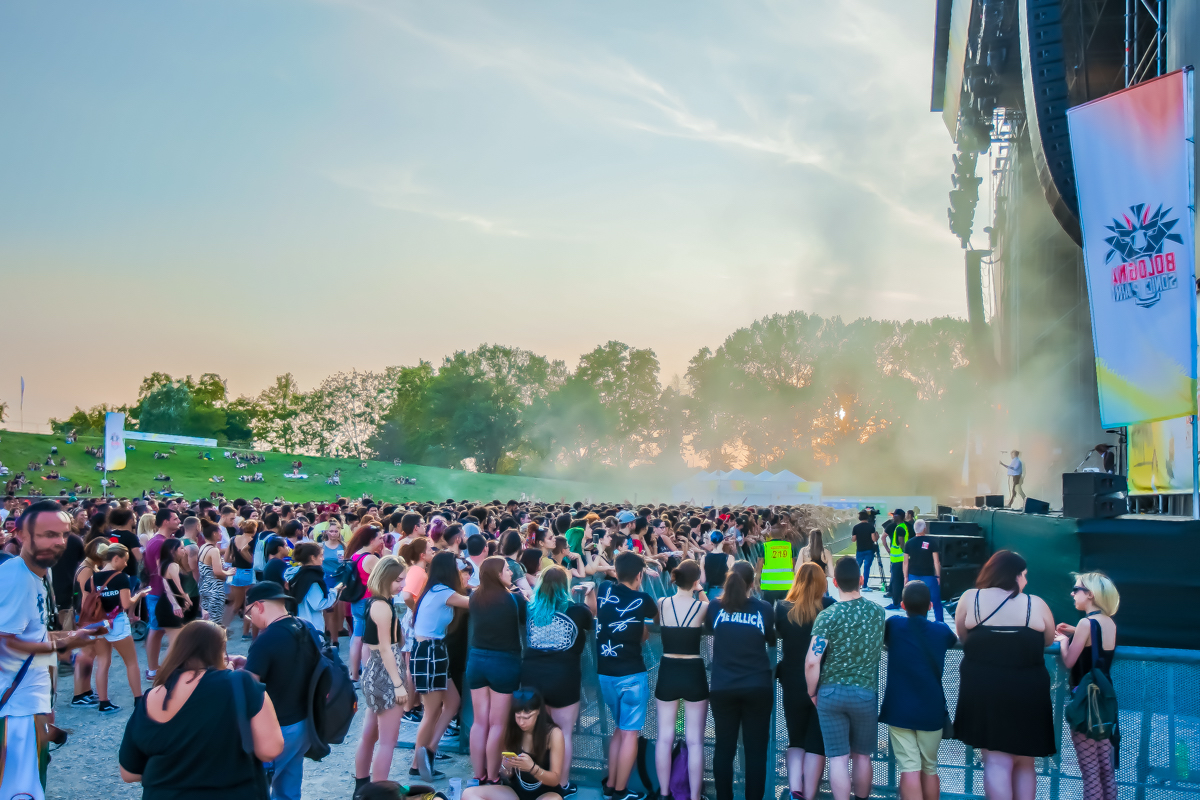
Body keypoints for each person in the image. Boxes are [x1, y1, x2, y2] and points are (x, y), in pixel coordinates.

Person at [0, 501, 101, 800]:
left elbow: (34, 634)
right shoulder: (16, 578)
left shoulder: (41, 573)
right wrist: (67, 643)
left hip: (30, 704)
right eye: (47, 534)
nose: (58, 542)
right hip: (15, 710)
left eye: (64, 534)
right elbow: (6, 642)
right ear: (20, 535)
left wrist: (74, 634)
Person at [119, 620, 285, 800]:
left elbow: (128, 774)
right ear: (220, 651)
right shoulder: (242, 684)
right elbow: (270, 749)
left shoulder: (149, 698)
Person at [954, 550, 1056, 800]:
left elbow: (963, 636)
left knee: (996, 761)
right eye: (1024, 575)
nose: (1026, 581)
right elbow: (1048, 640)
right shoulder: (1035, 604)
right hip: (1028, 689)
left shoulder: (971, 598)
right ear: (1014, 575)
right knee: (1025, 761)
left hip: (983, 687)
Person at [805, 557, 886, 800]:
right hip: (864, 693)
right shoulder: (878, 613)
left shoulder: (828, 616)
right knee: (862, 756)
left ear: (835, 582)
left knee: (838, 758)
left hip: (831, 694)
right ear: (861, 580)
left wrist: (812, 692)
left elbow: (812, 661)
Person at [520, 565, 595, 798]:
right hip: (564, 677)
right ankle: (561, 784)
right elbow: (593, 617)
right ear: (566, 586)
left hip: (531, 676)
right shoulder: (577, 610)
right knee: (563, 734)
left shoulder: (530, 609)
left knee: (534, 731)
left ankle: (534, 780)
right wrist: (591, 592)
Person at [244, 580, 322, 800]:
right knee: (288, 790)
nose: (250, 619)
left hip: (276, 728)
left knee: (256, 788)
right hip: (305, 722)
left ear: (259, 606)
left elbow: (248, 688)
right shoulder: (306, 627)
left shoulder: (265, 639)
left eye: (249, 614)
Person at [879, 581, 957, 800]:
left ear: (903, 605)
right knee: (929, 767)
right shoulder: (941, 630)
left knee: (909, 767)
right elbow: (952, 640)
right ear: (930, 605)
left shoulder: (894, 625)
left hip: (899, 708)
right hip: (931, 710)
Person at [704, 560, 775, 800]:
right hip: (757, 686)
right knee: (756, 752)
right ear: (752, 583)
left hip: (723, 686)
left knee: (724, 748)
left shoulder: (715, 607)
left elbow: (711, 629)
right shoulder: (763, 608)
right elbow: (771, 638)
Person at [596, 551, 658, 800]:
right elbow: (657, 621)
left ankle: (610, 785)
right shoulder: (643, 599)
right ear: (640, 575)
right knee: (630, 732)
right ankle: (620, 792)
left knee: (619, 730)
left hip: (605, 673)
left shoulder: (603, 590)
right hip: (632, 674)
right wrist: (641, 629)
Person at [1055, 572, 1119, 800]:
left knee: (1090, 774)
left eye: (1076, 589)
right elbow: (1098, 644)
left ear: (1090, 594)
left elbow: (1069, 661)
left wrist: (1064, 641)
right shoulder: (1108, 622)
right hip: (1104, 701)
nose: (1072, 594)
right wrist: (1076, 631)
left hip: (1085, 702)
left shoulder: (1086, 623)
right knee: (1106, 771)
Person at [776, 562, 835, 800]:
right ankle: (809, 795)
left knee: (796, 740)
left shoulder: (782, 608)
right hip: (821, 683)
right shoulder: (829, 607)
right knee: (816, 743)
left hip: (791, 680)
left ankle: (795, 791)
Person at [410, 550, 471, 781]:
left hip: (434, 651)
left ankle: (430, 751)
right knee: (432, 711)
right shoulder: (442, 592)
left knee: (452, 702)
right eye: (458, 568)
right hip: (429, 652)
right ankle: (417, 764)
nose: (460, 571)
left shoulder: (435, 590)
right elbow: (473, 603)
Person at [467, 556, 529, 783]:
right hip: (504, 662)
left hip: (476, 660)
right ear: (497, 574)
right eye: (507, 569)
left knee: (479, 722)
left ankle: (478, 774)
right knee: (498, 724)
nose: (511, 572)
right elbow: (526, 620)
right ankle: (493, 776)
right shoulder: (513, 599)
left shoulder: (474, 597)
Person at [354, 556, 412, 792]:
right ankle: (378, 793)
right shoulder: (382, 606)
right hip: (386, 674)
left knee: (370, 735)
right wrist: (398, 684)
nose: (402, 584)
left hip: (376, 671)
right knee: (387, 741)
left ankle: (362, 789)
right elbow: (387, 648)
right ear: (386, 578)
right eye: (398, 580)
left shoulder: (376, 602)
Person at [654, 560, 708, 800]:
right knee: (695, 741)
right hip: (693, 670)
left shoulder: (662, 602)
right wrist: (699, 590)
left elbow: (658, 623)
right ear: (695, 581)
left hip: (668, 669)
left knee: (665, 737)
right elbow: (711, 608)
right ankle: (694, 796)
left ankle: (665, 793)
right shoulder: (702, 607)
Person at [461, 687, 566, 800]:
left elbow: (555, 780)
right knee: (468, 794)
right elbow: (507, 775)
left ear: (539, 711)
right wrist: (506, 767)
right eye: (518, 717)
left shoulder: (553, 734)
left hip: (545, 793)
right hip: (515, 792)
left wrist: (532, 768)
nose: (521, 722)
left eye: (527, 717)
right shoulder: (512, 730)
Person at [91, 543, 153, 714]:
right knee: (131, 662)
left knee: (103, 662)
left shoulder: (93, 578)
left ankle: (103, 702)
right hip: (116, 621)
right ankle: (138, 699)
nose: (126, 564)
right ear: (116, 558)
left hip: (98, 623)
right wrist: (139, 595)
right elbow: (126, 604)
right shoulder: (121, 578)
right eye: (125, 560)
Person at [144, 508, 181, 680]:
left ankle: (154, 669)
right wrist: (174, 598)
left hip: (158, 591)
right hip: (160, 593)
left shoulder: (161, 540)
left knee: (157, 630)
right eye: (175, 518)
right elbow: (163, 572)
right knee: (163, 631)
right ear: (166, 521)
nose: (178, 521)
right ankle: (156, 670)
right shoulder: (160, 543)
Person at [346, 524, 386, 682]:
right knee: (367, 641)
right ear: (371, 539)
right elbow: (384, 579)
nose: (382, 541)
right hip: (369, 602)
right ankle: (368, 676)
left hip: (357, 601)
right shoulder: (371, 558)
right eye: (379, 538)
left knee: (357, 638)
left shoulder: (356, 555)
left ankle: (354, 675)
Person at [287, 542, 344, 635]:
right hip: (311, 627)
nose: (323, 558)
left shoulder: (299, 573)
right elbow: (318, 604)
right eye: (321, 555)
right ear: (312, 557)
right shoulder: (312, 579)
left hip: (299, 623)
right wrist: (335, 591)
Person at [902, 520, 943, 622]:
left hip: (913, 576)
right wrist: (938, 576)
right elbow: (936, 562)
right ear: (924, 528)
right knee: (936, 602)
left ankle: (917, 622)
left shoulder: (909, 543)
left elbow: (905, 562)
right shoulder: (931, 542)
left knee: (915, 601)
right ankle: (940, 623)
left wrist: (906, 577)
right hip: (929, 577)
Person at [225, 519, 258, 640]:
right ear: (254, 529)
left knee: (235, 604)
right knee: (248, 604)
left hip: (235, 572)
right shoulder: (253, 541)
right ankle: (245, 633)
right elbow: (252, 561)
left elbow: (227, 558)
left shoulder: (233, 539)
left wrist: (236, 558)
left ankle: (222, 628)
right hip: (248, 573)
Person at [154, 538, 194, 631]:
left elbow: (168, 587)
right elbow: (178, 587)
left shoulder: (164, 564)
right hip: (171, 607)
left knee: (177, 638)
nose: (184, 550)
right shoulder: (173, 566)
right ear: (172, 551)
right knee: (177, 638)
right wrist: (189, 601)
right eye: (181, 548)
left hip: (168, 604)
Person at [198, 520, 233, 623]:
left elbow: (208, 568)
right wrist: (229, 572)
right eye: (220, 532)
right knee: (215, 622)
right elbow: (217, 572)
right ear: (214, 534)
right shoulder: (214, 550)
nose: (221, 534)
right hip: (214, 589)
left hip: (204, 587)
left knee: (207, 620)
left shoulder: (203, 547)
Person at [883, 509, 910, 610]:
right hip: (900, 560)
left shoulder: (900, 528)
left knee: (896, 582)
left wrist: (903, 553)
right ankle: (901, 601)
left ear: (899, 516)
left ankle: (896, 603)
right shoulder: (903, 526)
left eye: (895, 515)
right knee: (900, 581)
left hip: (898, 560)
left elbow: (902, 544)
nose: (893, 517)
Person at [851, 511, 878, 592]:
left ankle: (855, 585)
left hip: (859, 550)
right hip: (869, 550)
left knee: (857, 568)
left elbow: (853, 539)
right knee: (866, 568)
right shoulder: (871, 527)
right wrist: (877, 536)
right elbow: (874, 539)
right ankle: (865, 586)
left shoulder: (856, 527)